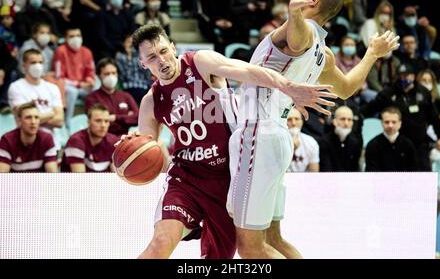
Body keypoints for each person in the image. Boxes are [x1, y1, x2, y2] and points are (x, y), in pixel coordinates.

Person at [117, 24, 335, 259]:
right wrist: (132, 150)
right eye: (151, 57)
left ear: (172, 47)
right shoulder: (152, 101)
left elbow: (250, 72)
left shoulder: (199, 63)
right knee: (161, 242)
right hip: (186, 180)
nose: (161, 60)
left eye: (163, 51)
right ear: (143, 64)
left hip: (230, 179)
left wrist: (289, 87)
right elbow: (149, 150)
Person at [227, 0, 400, 259]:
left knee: (249, 247)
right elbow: (346, 87)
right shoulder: (324, 53)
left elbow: (296, 40)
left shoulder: (303, 31)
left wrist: (294, 11)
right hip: (278, 138)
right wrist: (371, 54)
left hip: (258, 135)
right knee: (275, 239)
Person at [85, 58, 138, 136]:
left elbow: (137, 118)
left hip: (126, 138)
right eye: (107, 74)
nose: (111, 76)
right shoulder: (92, 98)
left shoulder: (126, 96)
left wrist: (115, 117)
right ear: (99, 76)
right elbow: (97, 122)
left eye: (114, 73)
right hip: (103, 139)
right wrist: (127, 117)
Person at [0, 102, 58, 172]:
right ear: (19, 121)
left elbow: (52, 175)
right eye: (28, 118)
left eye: (36, 117)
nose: (33, 122)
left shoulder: (46, 139)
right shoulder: (7, 140)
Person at [61, 104, 119, 172]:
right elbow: (80, 179)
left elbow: (116, 176)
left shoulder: (113, 141)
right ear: (88, 122)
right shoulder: (75, 141)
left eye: (106, 121)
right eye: (98, 121)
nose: (103, 125)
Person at [365, 107, 418, 172]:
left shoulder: (408, 145)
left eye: (394, 122)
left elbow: (414, 171)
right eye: (387, 122)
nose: (390, 125)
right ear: (381, 123)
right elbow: (371, 172)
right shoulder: (372, 145)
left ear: (400, 124)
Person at [286, 108, 319, 172]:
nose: (293, 123)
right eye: (289, 119)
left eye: (297, 119)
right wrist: (290, 151)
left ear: (302, 122)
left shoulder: (311, 142)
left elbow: (314, 173)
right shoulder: (275, 142)